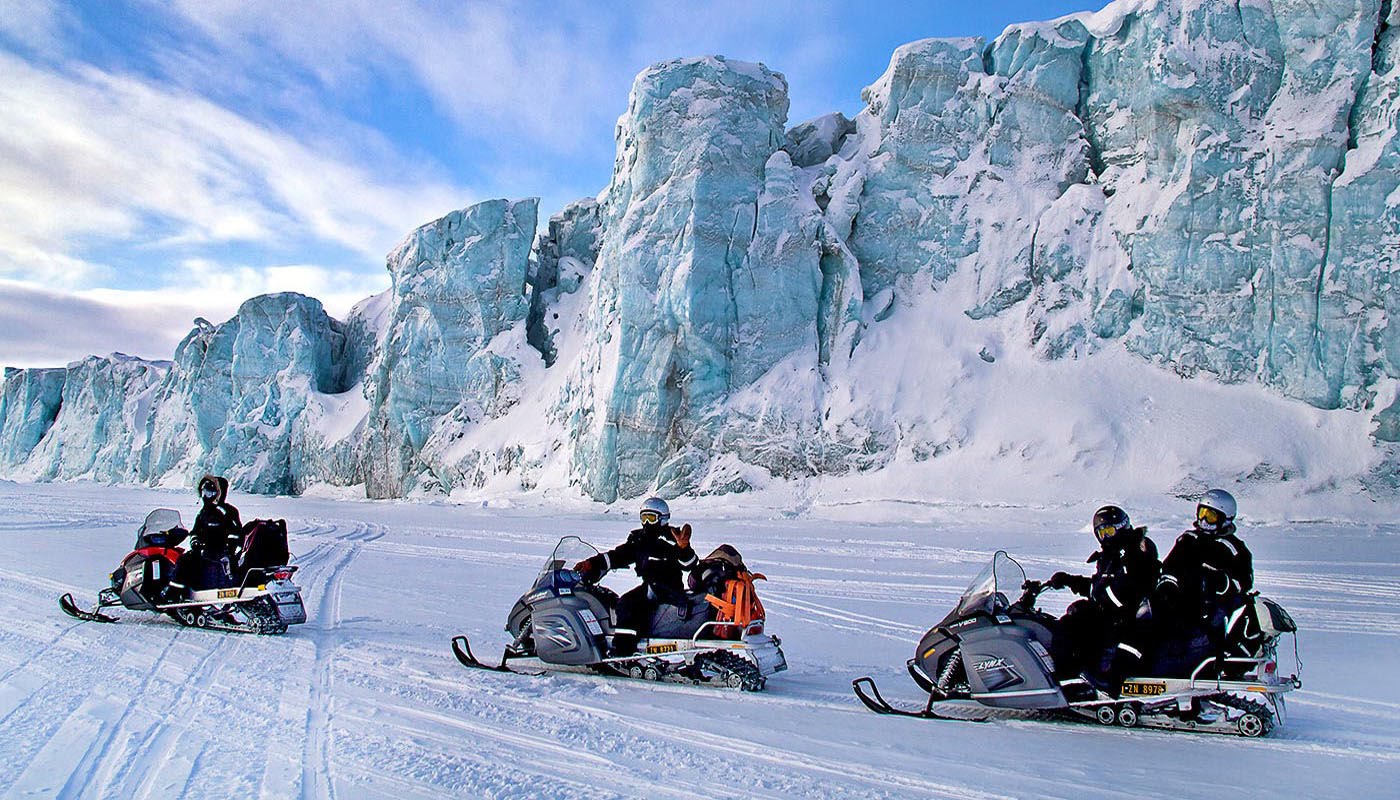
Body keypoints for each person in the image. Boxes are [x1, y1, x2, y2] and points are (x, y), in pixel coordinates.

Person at [1049, 505, 1159, 696]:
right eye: (1101, 533)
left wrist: (1099, 600)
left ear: (1122, 527)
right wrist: (1069, 580)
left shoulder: (1136, 548)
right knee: (1072, 618)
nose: (1106, 537)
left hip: (1131, 615)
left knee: (1077, 622)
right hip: (1116, 612)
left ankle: (1089, 682)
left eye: (1109, 530)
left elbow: (1128, 587)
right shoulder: (1111, 555)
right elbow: (1100, 586)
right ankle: (1072, 674)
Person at [573, 497, 698, 657]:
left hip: (668, 589)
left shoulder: (673, 538)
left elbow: (689, 564)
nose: (646, 522)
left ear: (663, 518)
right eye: (644, 517)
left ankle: (623, 652)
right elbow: (620, 555)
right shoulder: (640, 539)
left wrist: (684, 548)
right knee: (624, 601)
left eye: (651, 518)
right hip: (650, 587)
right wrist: (592, 563)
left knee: (627, 604)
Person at [1155, 488, 1253, 663]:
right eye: (1202, 513)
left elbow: (1245, 581)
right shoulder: (1187, 539)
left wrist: (1221, 582)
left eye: (1211, 516)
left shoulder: (1233, 548)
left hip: (1211, 604)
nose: (1204, 520)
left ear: (1225, 519)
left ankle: (1206, 659)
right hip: (1180, 600)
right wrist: (1167, 585)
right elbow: (1170, 566)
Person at [170, 474, 242, 595]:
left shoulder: (227, 512)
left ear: (218, 493)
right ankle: (180, 591)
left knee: (186, 561)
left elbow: (236, 532)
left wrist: (230, 549)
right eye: (204, 493)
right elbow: (195, 531)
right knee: (184, 559)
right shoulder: (203, 513)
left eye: (209, 493)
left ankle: (175, 593)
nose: (205, 497)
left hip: (221, 552)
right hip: (204, 551)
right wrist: (195, 541)